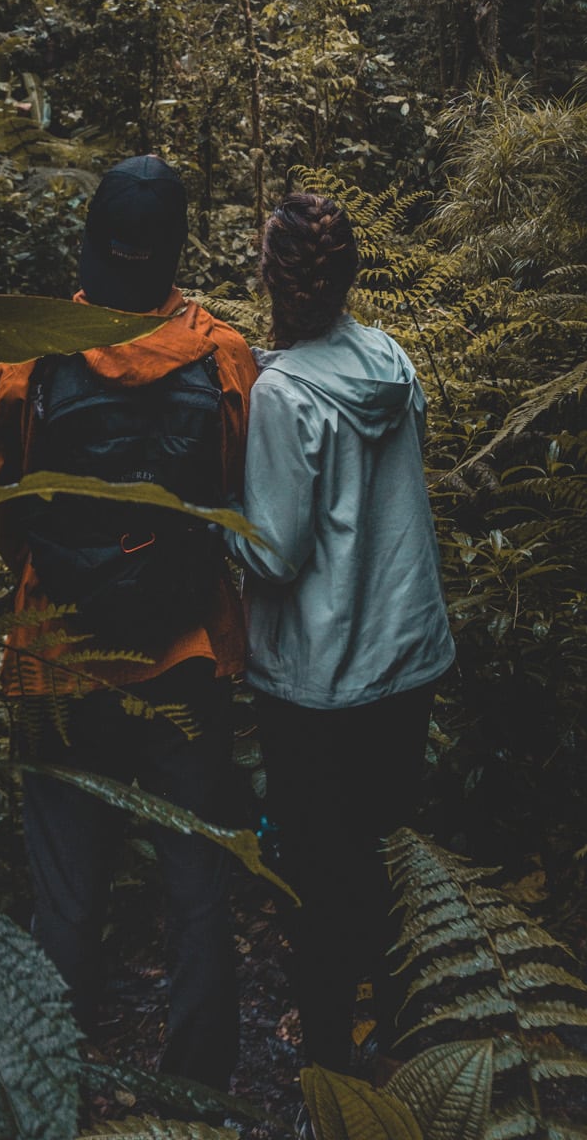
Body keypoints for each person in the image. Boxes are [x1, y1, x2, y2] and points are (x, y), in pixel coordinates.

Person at [0, 154, 257, 1090]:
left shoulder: (25, 352)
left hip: (57, 654)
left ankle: (56, 1081)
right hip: (183, 656)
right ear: (174, 253)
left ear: (88, 244)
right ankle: (199, 1085)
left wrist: (59, 583)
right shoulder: (222, 353)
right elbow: (233, 491)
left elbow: (4, 502)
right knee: (194, 881)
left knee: (64, 888)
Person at [226, 190, 455, 1075]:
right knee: (390, 859)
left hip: (319, 685)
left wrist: (211, 520)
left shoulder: (283, 395)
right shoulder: (389, 363)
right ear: (348, 275)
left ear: (272, 279)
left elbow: (274, 556)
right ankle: (402, 1054)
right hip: (408, 657)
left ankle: (327, 1068)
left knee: (319, 878)